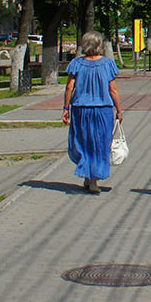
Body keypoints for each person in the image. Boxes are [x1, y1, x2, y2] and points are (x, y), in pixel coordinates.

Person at [62, 30, 124, 195]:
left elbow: (69, 87)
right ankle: (93, 181)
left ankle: (89, 177)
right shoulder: (108, 64)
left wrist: (66, 108)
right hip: (103, 110)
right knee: (100, 144)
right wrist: (119, 110)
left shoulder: (77, 64)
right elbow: (113, 90)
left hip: (81, 110)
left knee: (84, 143)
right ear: (99, 45)